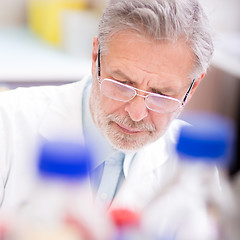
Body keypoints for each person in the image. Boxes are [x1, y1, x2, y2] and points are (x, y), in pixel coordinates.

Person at [0, 0, 214, 211]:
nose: (137, 113)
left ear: (192, 87)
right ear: (96, 58)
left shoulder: (197, 167)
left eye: (161, 94)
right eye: (122, 83)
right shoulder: (8, 123)